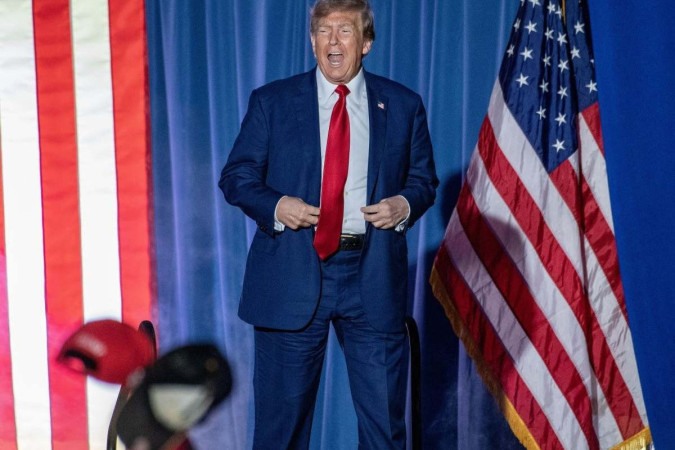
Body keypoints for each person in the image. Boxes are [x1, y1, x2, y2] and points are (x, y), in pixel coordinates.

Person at [219, 0, 437, 447]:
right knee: (281, 431)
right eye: (323, 31)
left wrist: (403, 204)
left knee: (385, 431)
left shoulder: (401, 105)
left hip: (370, 277)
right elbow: (236, 177)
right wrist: (278, 205)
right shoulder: (273, 102)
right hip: (293, 274)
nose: (333, 42)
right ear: (312, 41)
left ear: (367, 43)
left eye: (345, 32)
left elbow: (423, 181)